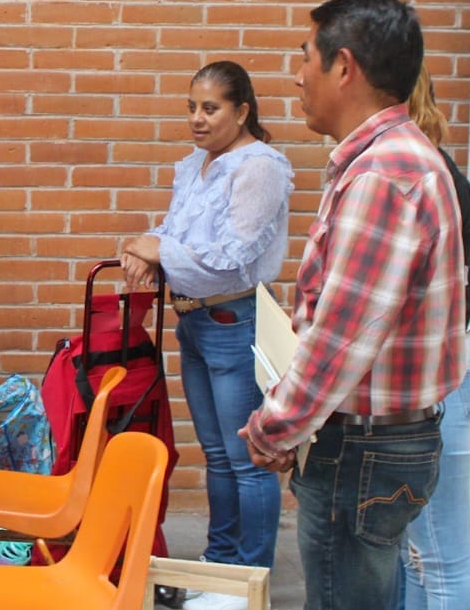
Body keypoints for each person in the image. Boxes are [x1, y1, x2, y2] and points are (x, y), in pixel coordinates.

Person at [241, 0, 466, 610]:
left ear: (344, 67)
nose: (295, 74)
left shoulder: (382, 176)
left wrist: (274, 427)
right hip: (378, 443)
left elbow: (341, 341)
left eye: (304, 56)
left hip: (360, 448)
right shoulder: (395, 160)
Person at [121, 61, 293, 610]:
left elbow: (230, 257)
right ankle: (222, 565)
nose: (197, 118)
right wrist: (148, 249)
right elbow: (177, 232)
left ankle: (250, 578)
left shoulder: (259, 165)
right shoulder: (196, 162)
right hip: (194, 320)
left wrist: (158, 250)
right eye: (192, 106)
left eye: (211, 108)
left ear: (241, 111)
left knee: (248, 455)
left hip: (232, 317)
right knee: (218, 454)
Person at [398, 67, 470, 610]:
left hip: (445, 385)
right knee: (419, 556)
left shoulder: (433, 182)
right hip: (451, 380)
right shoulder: (440, 175)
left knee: (441, 560)